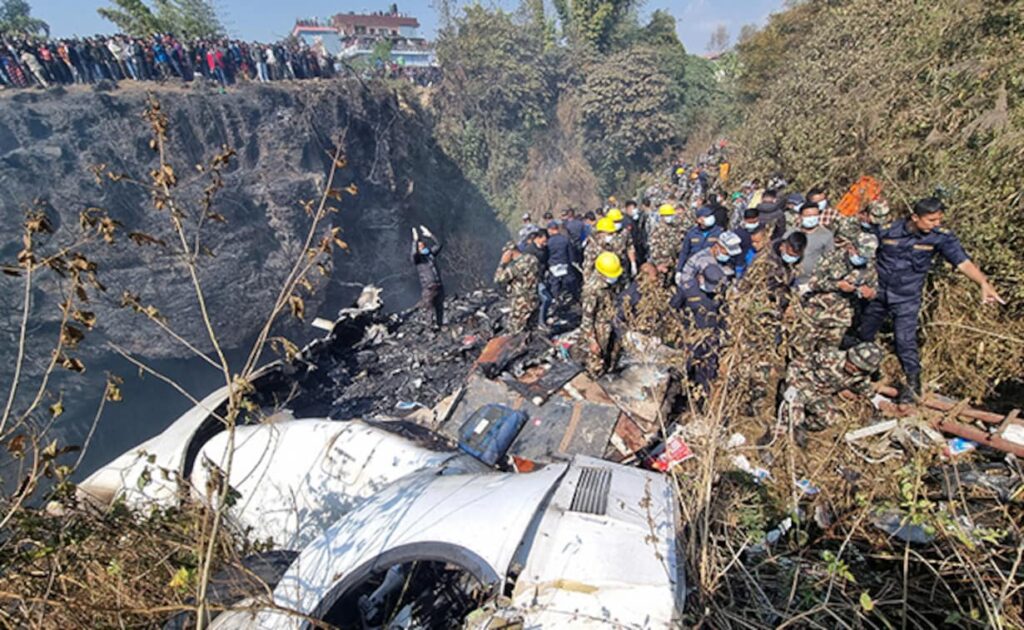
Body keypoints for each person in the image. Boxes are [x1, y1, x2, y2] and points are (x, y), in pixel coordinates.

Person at [857, 197, 1003, 402]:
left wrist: (983, 283)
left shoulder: (940, 237)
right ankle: (867, 375)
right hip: (877, 294)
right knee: (864, 334)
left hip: (907, 298)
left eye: (938, 220)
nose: (936, 224)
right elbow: (862, 251)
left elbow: (962, 262)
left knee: (904, 341)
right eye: (931, 220)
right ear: (915, 217)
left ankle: (913, 386)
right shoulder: (888, 230)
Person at [790, 232, 878, 358]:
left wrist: (870, 293)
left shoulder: (869, 266)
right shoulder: (832, 258)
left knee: (828, 357)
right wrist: (837, 285)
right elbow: (814, 282)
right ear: (851, 248)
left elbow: (874, 289)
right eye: (860, 255)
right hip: (815, 313)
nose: (862, 259)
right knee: (801, 351)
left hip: (840, 320)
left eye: (866, 257)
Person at [783, 342, 883, 433]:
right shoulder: (830, 356)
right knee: (793, 420)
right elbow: (795, 364)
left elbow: (867, 391)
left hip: (821, 395)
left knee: (831, 418)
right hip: (800, 387)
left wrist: (877, 407)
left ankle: (802, 429)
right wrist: (791, 384)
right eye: (852, 361)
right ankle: (792, 424)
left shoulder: (861, 376)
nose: (853, 367)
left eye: (859, 367)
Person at [674, 265, 727, 398]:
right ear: (700, 277)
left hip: (711, 340)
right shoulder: (687, 288)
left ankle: (702, 401)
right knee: (684, 372)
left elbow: (724, 313)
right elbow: (672, 308)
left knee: (707, 374)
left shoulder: (720, 290)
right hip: (692, 338)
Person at [580, 252, 625, 377]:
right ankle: (594, 378)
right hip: (599, 327)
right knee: (596, 357)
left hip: (610, 321)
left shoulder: (608, 283)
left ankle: (608, 370)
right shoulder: (592, 290)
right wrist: (592, 341)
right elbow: (587, 319)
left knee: (612, 351)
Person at [494, 230, 547, 335]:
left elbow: (498, 279)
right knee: (531, 333)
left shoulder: (516, 266)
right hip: (534, 299)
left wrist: (502, 263)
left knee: (516, 333)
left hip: (521, 303)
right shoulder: (533, 259)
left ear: (510, 252)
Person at [790, 203, 835, 286]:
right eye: (808, 215)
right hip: (791, 280)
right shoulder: (791, 233)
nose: (812, 218)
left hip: (811, 282)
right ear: (800, 217)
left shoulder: (826, 235)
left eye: (815, 215)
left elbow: (830, 259)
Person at [677, 231, 742, 288]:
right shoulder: (699, 259)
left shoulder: (727, 261)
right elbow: (685, 282)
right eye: (726, 254)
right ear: (717, 247)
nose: (728, 256)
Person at [410, 225, 444, 329]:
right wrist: (415, 241)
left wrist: (430, 235)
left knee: (439, 308)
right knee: (429, 309)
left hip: (438, 285)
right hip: (428, 288)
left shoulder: (430, 255)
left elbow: (439, 244)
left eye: (423, 245)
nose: (423, 247)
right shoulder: (418, 259)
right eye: (420, 247)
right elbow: (414, 254)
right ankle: (430, 328)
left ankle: (439, 325)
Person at [676, 206, 723, 277]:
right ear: (699, 220)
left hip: (711, 268)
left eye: (710, 215)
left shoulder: (719, 232)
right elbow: (684, 252)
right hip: (693, 269)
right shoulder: (692, 233)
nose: (710, 217)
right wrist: (679, 270)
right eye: (706, 216)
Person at [647, 204, 685, 279]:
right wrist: (658, 264)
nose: (669, 217)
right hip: (662, 263)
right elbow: (653, 248)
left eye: (670, 215)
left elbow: (679, 244)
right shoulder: (657, 229)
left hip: (673, 262)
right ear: (661, 216)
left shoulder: (675, 228)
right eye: (667, 215)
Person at [544, 220, 578, 307]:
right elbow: (571, 253)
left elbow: (546, 254)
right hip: (565, 263)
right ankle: (574, 298)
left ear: (551, 230)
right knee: (570, 281)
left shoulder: (548, 242)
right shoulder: (565, 240)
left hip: (553, 264)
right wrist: (571, 262)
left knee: (554, 283)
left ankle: (556, 299)